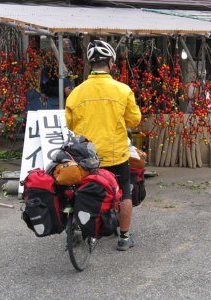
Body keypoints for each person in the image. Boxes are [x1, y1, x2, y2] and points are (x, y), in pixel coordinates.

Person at [65, 40, 141, 251]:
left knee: (79, 190)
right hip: (115, 154)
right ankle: (124, 238)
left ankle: (76, 228)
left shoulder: (76, 93)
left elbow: (70, 124)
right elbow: (134, 120)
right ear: (111, 63)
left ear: (90, 64)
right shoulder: (122, 90)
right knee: (124, 192)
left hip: (85, 156)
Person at [40, 38, 75, 108]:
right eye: (66, 54)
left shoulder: (71, 67)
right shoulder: (48, 68)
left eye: (69, 54)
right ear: (57, 53)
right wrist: (62, 91)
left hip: (70, 103)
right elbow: (44, 88)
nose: (68, 56)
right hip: (54, 104)